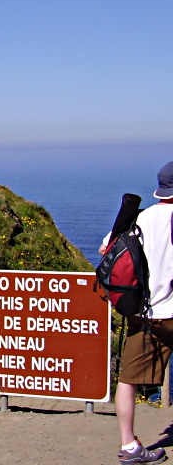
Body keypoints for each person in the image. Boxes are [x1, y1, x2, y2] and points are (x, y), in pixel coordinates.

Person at [108, 161, 173, 465]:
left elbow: (106, 250)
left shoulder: (141, 219)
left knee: (128, 379)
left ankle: (129, 446)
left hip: (145, 315)